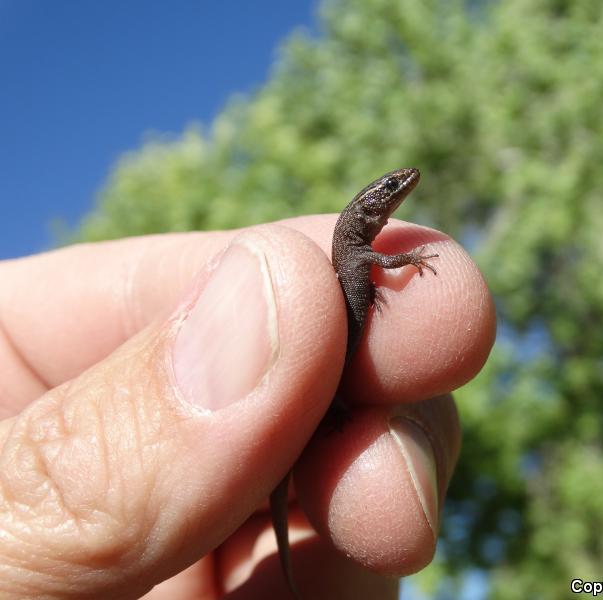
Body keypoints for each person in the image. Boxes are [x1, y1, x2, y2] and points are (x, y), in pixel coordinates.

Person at [0, 215, 495, 599]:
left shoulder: (352, 246)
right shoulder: (353, 246)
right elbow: (378, 265)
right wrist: (407, 262)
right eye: (387, 189)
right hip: (326, 368)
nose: (398, 190)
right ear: (367, 211)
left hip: (329, 368)